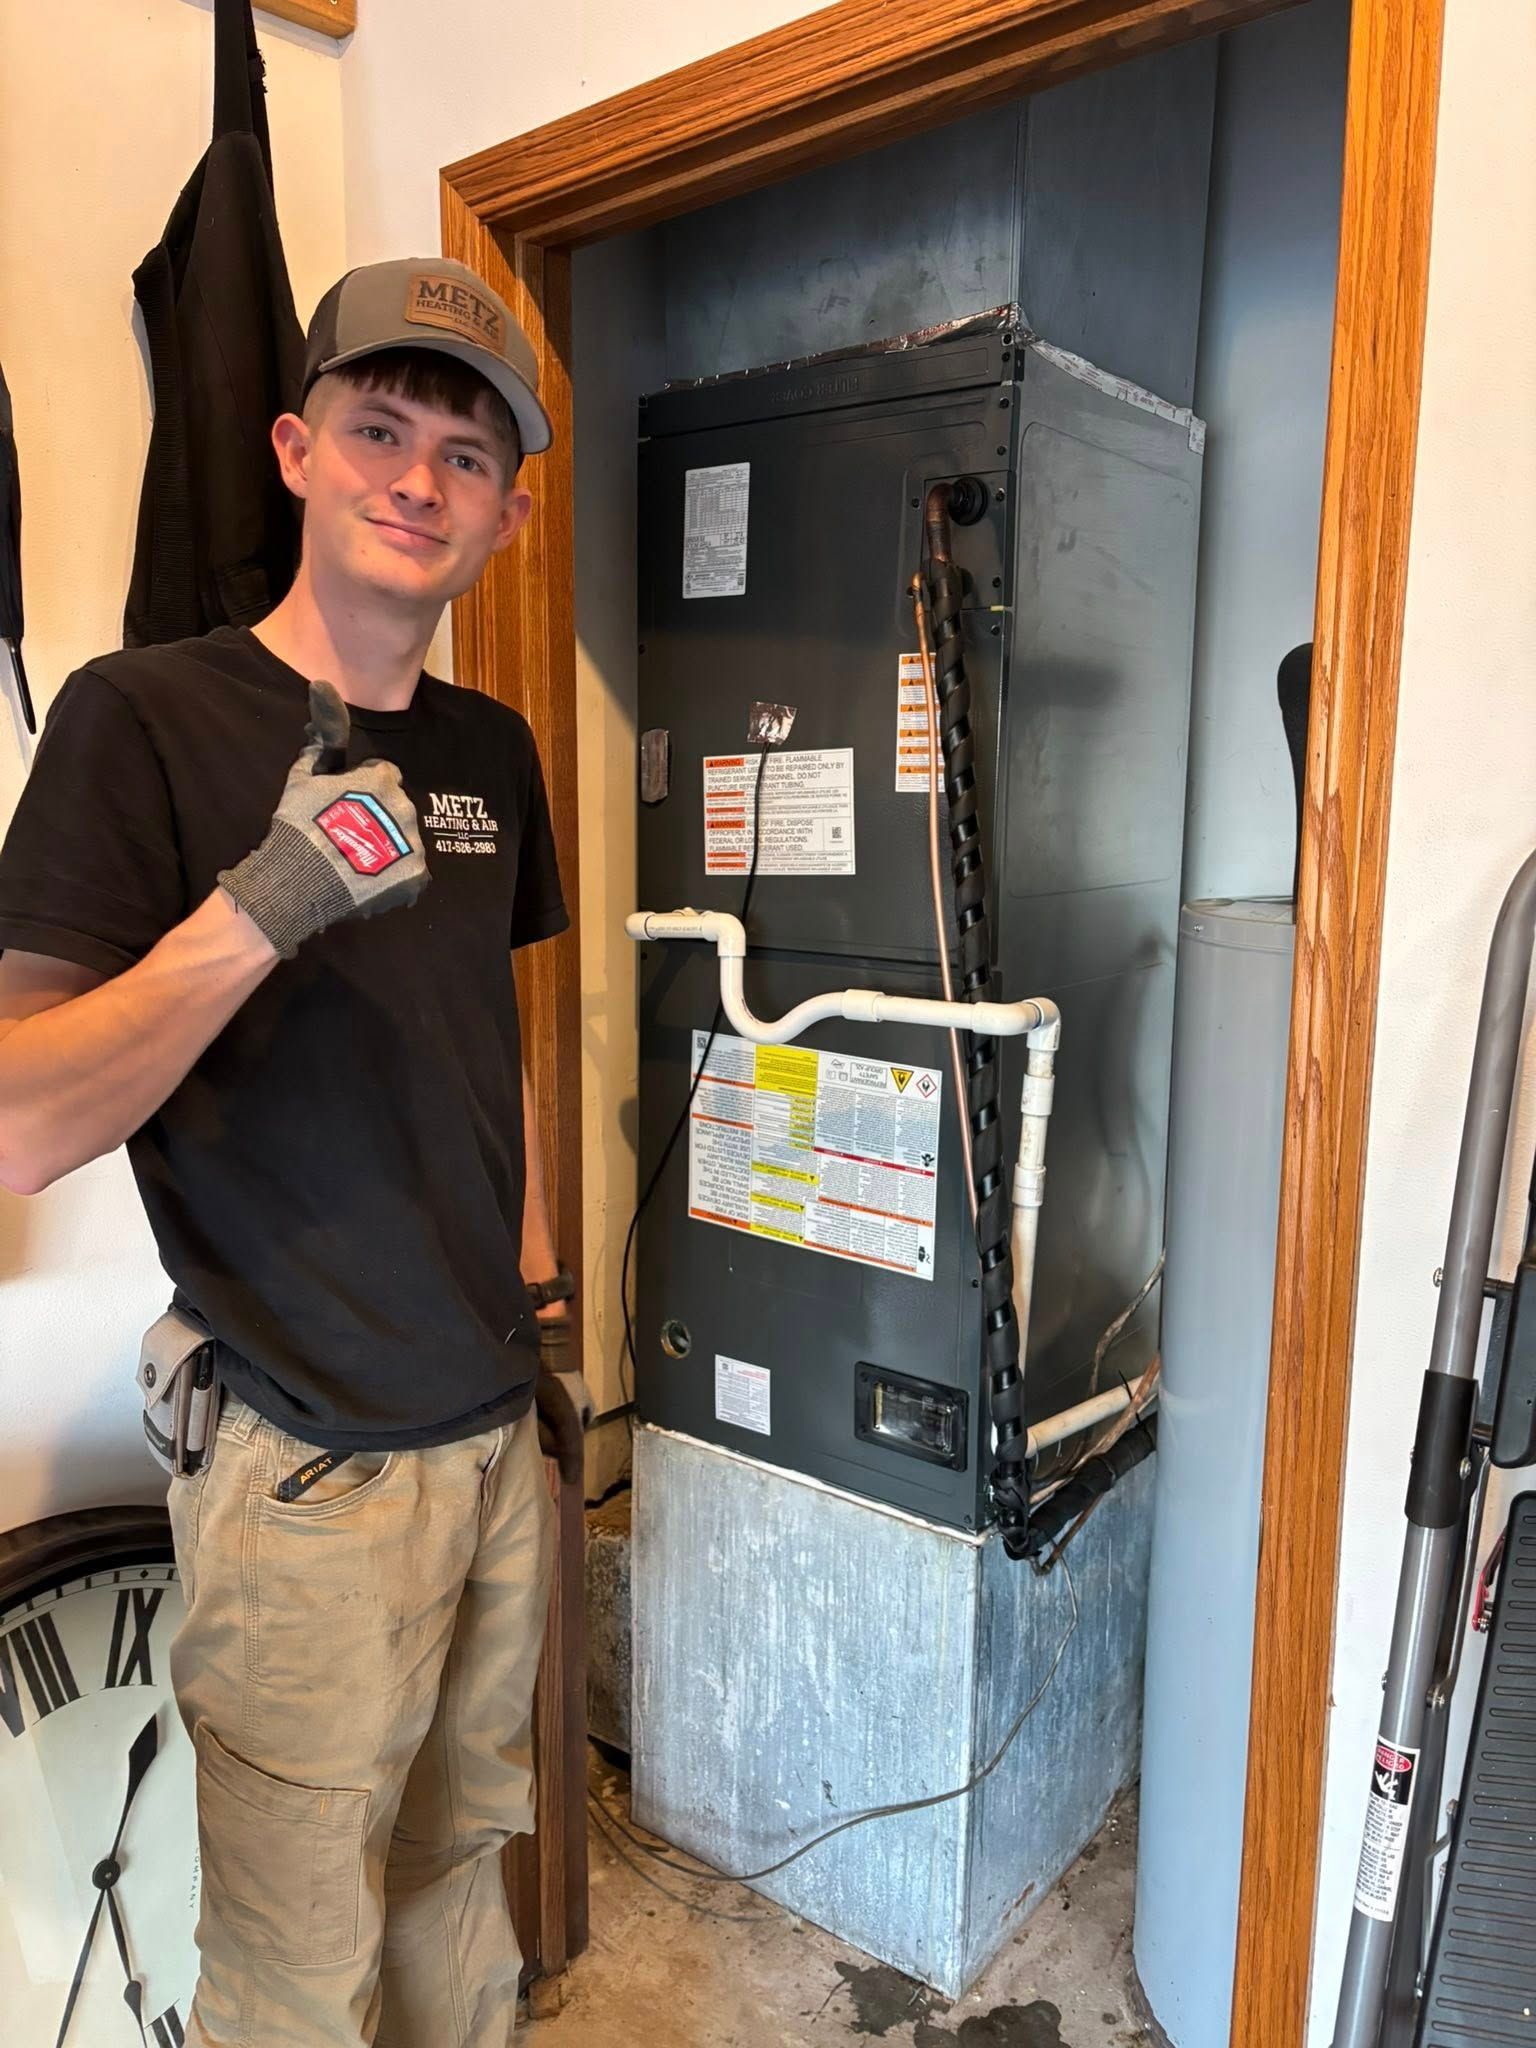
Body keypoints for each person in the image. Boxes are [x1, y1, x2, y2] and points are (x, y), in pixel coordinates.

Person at [0, 256, 584, 2046]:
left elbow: (498, 1055)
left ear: (503, 513)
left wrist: (545, 1316)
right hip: (306, 1465)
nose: (419, 479)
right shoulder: (140, 717)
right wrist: (264, 906)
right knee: (291, 1973)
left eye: (465, 458)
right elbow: (24, 1118)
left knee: (455, 1895)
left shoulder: (496, 746)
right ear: (294, 450)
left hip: (490, 1435)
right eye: (380, 430)